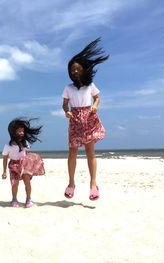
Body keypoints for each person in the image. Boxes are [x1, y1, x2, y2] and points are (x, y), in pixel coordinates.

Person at [62, 37, 108, 201]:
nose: (74, 72)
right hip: (75, 120)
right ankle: (71, 183)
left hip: (88, 118)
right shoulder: (68, 88)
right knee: (72, 153)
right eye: (72, 69)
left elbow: (97, 98)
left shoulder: (90, 86)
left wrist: (95, 106)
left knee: (90, 153)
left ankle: (93, 185)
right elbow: (64, 105)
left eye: (77, 69)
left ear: (83, 69)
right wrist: (66, 112)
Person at [2, 118, 45, 208]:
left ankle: (28, 199)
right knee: (14, 183)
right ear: (13, 132)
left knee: (27, 182)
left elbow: (26, 153)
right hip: (13, 165)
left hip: (24, 165)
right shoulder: (8, 146)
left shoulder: (24, 143)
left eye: (23, 131)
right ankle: (14, 199)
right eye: (19, 131)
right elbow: (5, 158)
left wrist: (31, 162)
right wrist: (4, 171)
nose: (22, 133)